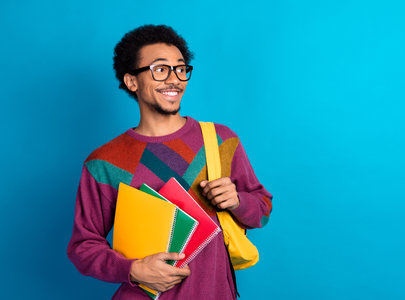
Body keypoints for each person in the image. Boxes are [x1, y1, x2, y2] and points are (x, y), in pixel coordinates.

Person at [67, 24, 272, 300]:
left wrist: (238, 201)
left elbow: (263, 209)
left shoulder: (220, 140)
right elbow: (83, 247)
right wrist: (134, 269)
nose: (174, 79)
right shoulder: (103, 163)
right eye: (160, 69)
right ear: (132, 81)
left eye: (180, 68)